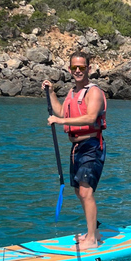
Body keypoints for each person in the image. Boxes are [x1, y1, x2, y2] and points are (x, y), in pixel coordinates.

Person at [42, 51, 107, 250]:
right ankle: (93, 230)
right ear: (70, 70)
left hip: (91, 146)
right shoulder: (72, 93)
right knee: (79, 192)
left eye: (81, 67)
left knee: (86, 192)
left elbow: (90, 117)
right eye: (74, 68)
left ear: (89, 68)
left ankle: (92, 240)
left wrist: (60, 121)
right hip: (76, 148)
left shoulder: (94, 92)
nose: (78, 71)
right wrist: (51, 93)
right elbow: (61, 112)